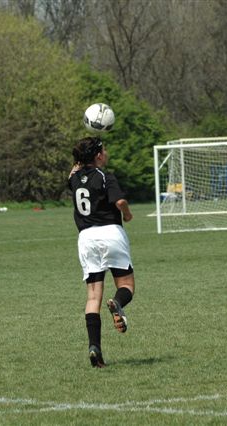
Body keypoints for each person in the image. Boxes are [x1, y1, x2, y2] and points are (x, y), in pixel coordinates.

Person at [68, 136, 135, 368]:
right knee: (126, 286)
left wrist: (80, 156)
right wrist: (127, 214)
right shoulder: (106, 177)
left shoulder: (74, 179)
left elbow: (74, 170)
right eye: (103, 150)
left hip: (86, 238)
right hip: (110, 233)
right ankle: (117, 303)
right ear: (98, 155)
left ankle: (94, 348)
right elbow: (119, 202)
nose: (106, 153)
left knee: (93, 297)